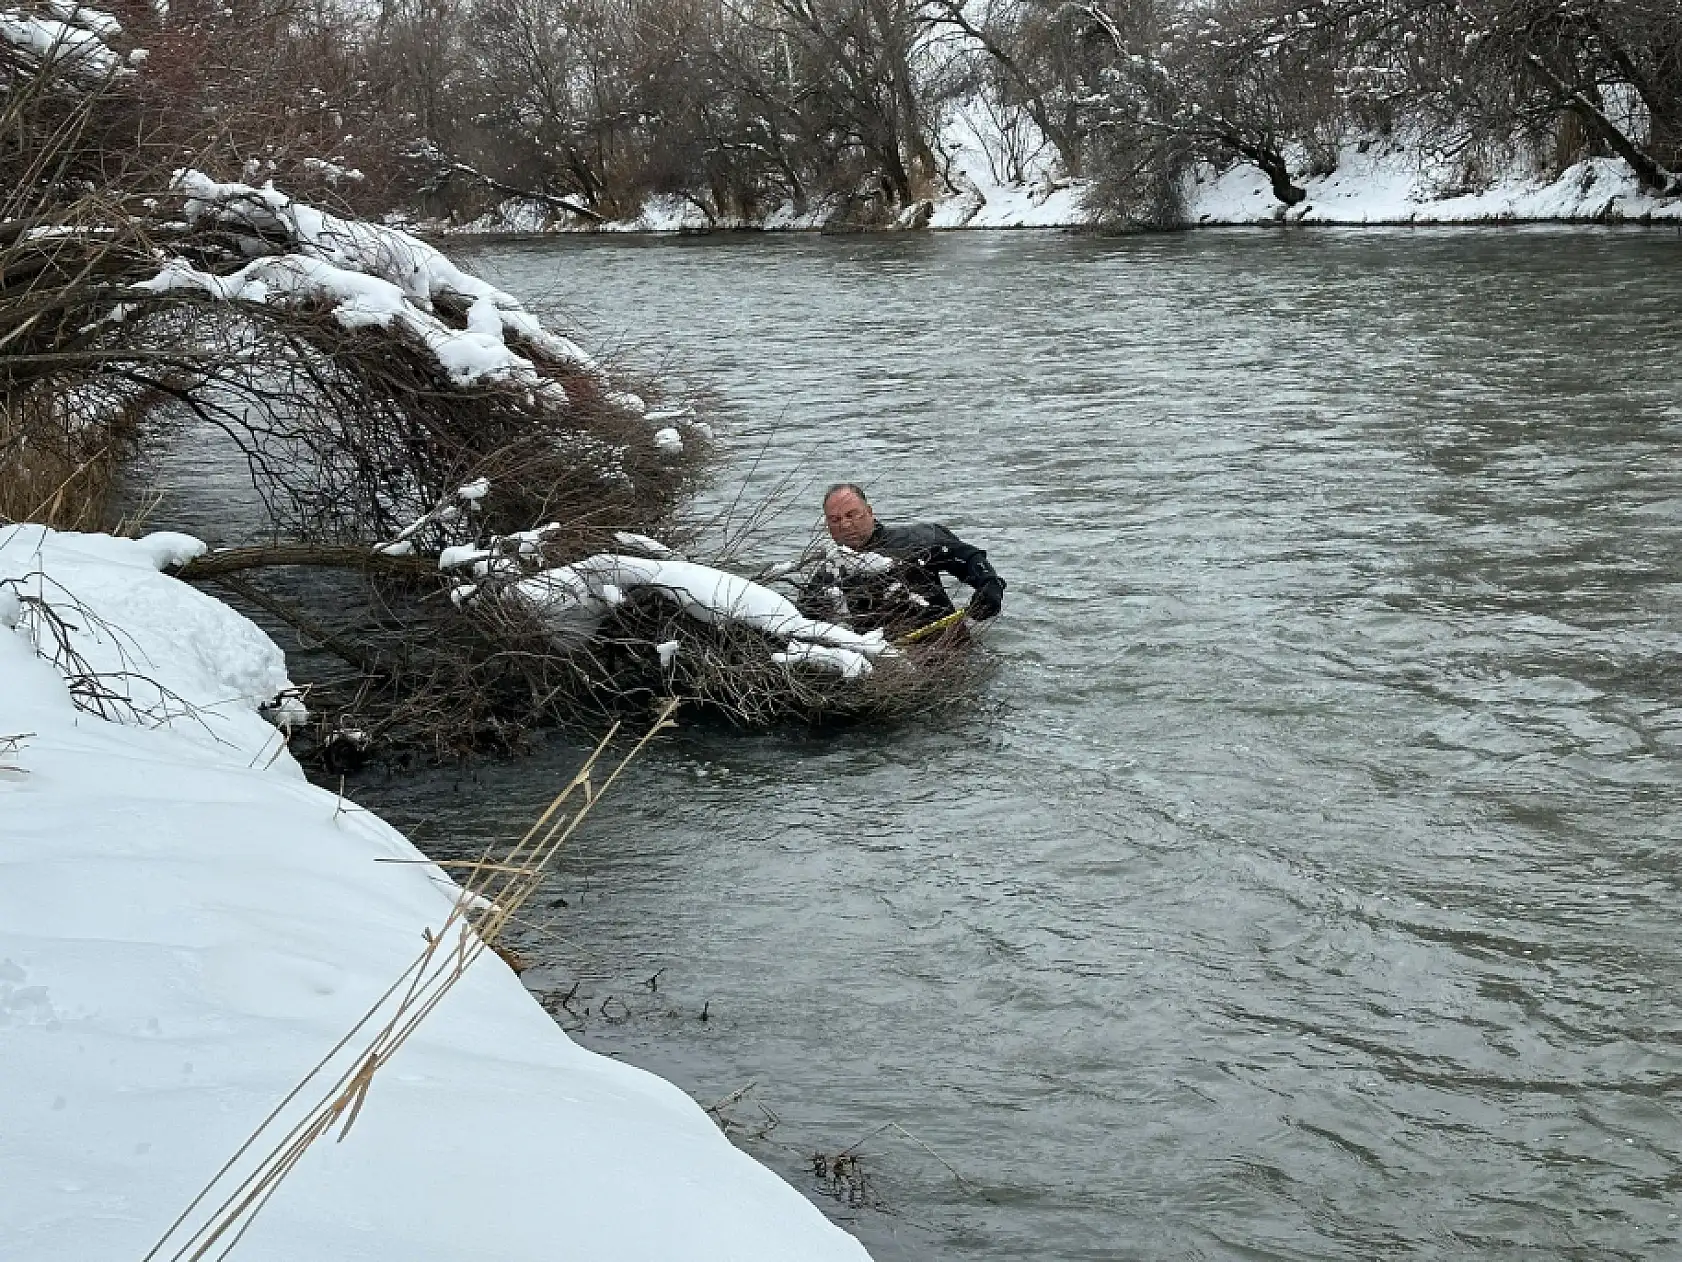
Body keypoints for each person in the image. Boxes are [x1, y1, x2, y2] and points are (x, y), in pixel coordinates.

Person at [799, 483, 1005, 635]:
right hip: (888, 663)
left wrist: (989, 586)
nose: (845, 525)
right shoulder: (827, 577)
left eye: (852, 515)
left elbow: (968, 558)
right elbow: (800, 626)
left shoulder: (916, 541)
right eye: (835, 520)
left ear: (870, 512)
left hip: (946, 646)